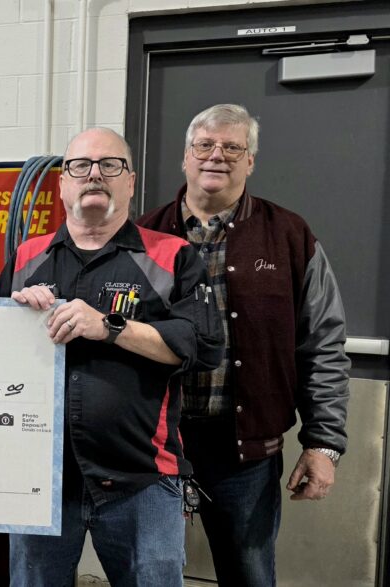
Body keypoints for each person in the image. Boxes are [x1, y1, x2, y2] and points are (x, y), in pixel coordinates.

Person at [0, 128, 223, 586]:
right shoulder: (27, 257)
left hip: (140, 479)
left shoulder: (172, 256)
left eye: (110, 165)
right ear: (63, 184)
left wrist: (109, 327)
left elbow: (201, 346)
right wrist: (16, 316)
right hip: (42, 482)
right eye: (80, 166)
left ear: (131, 181)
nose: (94, 175)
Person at [138, 104, 349, 586]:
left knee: (249, 575)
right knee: (149, 575)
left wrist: (324, 443)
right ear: (185, 157)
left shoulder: (290, 237)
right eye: (205, 145)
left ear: (250, 161)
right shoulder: (142, 237)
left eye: (233, 147)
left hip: (245, 455)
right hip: (154, 448)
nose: (218, 156)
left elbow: (322, 345)